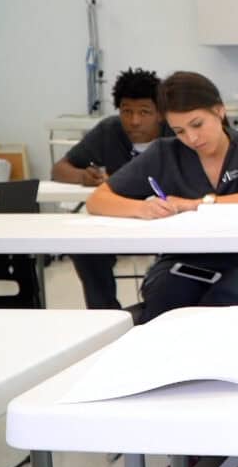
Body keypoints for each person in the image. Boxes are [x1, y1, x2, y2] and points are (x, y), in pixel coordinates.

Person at [86, 71, 238, 323]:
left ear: (219, 111)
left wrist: (197, 204)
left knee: (225, 305)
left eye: (197, 124)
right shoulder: (164, 153)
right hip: (182, 260)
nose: (191, 138)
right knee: (164, 302)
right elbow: (97, 200)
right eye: (179, 131)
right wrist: (142, 208)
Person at [52, 67, 168, 310]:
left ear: (160, 114)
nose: (134, 120)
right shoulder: (109, 131)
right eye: (126, 111)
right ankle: (105, 312)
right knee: (84, 248)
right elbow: (60, 169)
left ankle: (160, 309)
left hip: (166, 218)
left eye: (144, 112)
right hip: (117, 217)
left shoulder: (174, 134)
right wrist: (82, 176)